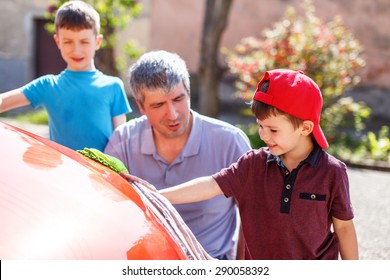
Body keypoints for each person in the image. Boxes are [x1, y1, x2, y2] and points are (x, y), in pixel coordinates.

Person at [125, 69, 359, 260]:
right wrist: (156, 196)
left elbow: (344, 228)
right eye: (260, 126)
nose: (264, 136)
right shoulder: (253, 165)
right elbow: (209, 185)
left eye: (273, 129)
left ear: (306, 128)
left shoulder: (333, 173)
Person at [104, 50, 252, 260]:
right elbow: (107, 210)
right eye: (158, 105)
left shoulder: (230, 141)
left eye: (178, 99)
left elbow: (253, 216)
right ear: (140, 106)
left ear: (189, 92)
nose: (172, 114)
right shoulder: (123, 142)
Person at [0, 1, 131, 151]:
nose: (76, 50)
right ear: (58, 41)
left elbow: (122, 142)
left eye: (84, 41)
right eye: (68, 41)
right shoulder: (47, 85)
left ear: (97, 41)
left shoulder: (113, 86)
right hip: (63, 172)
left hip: (101, 173)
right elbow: (3, 101)